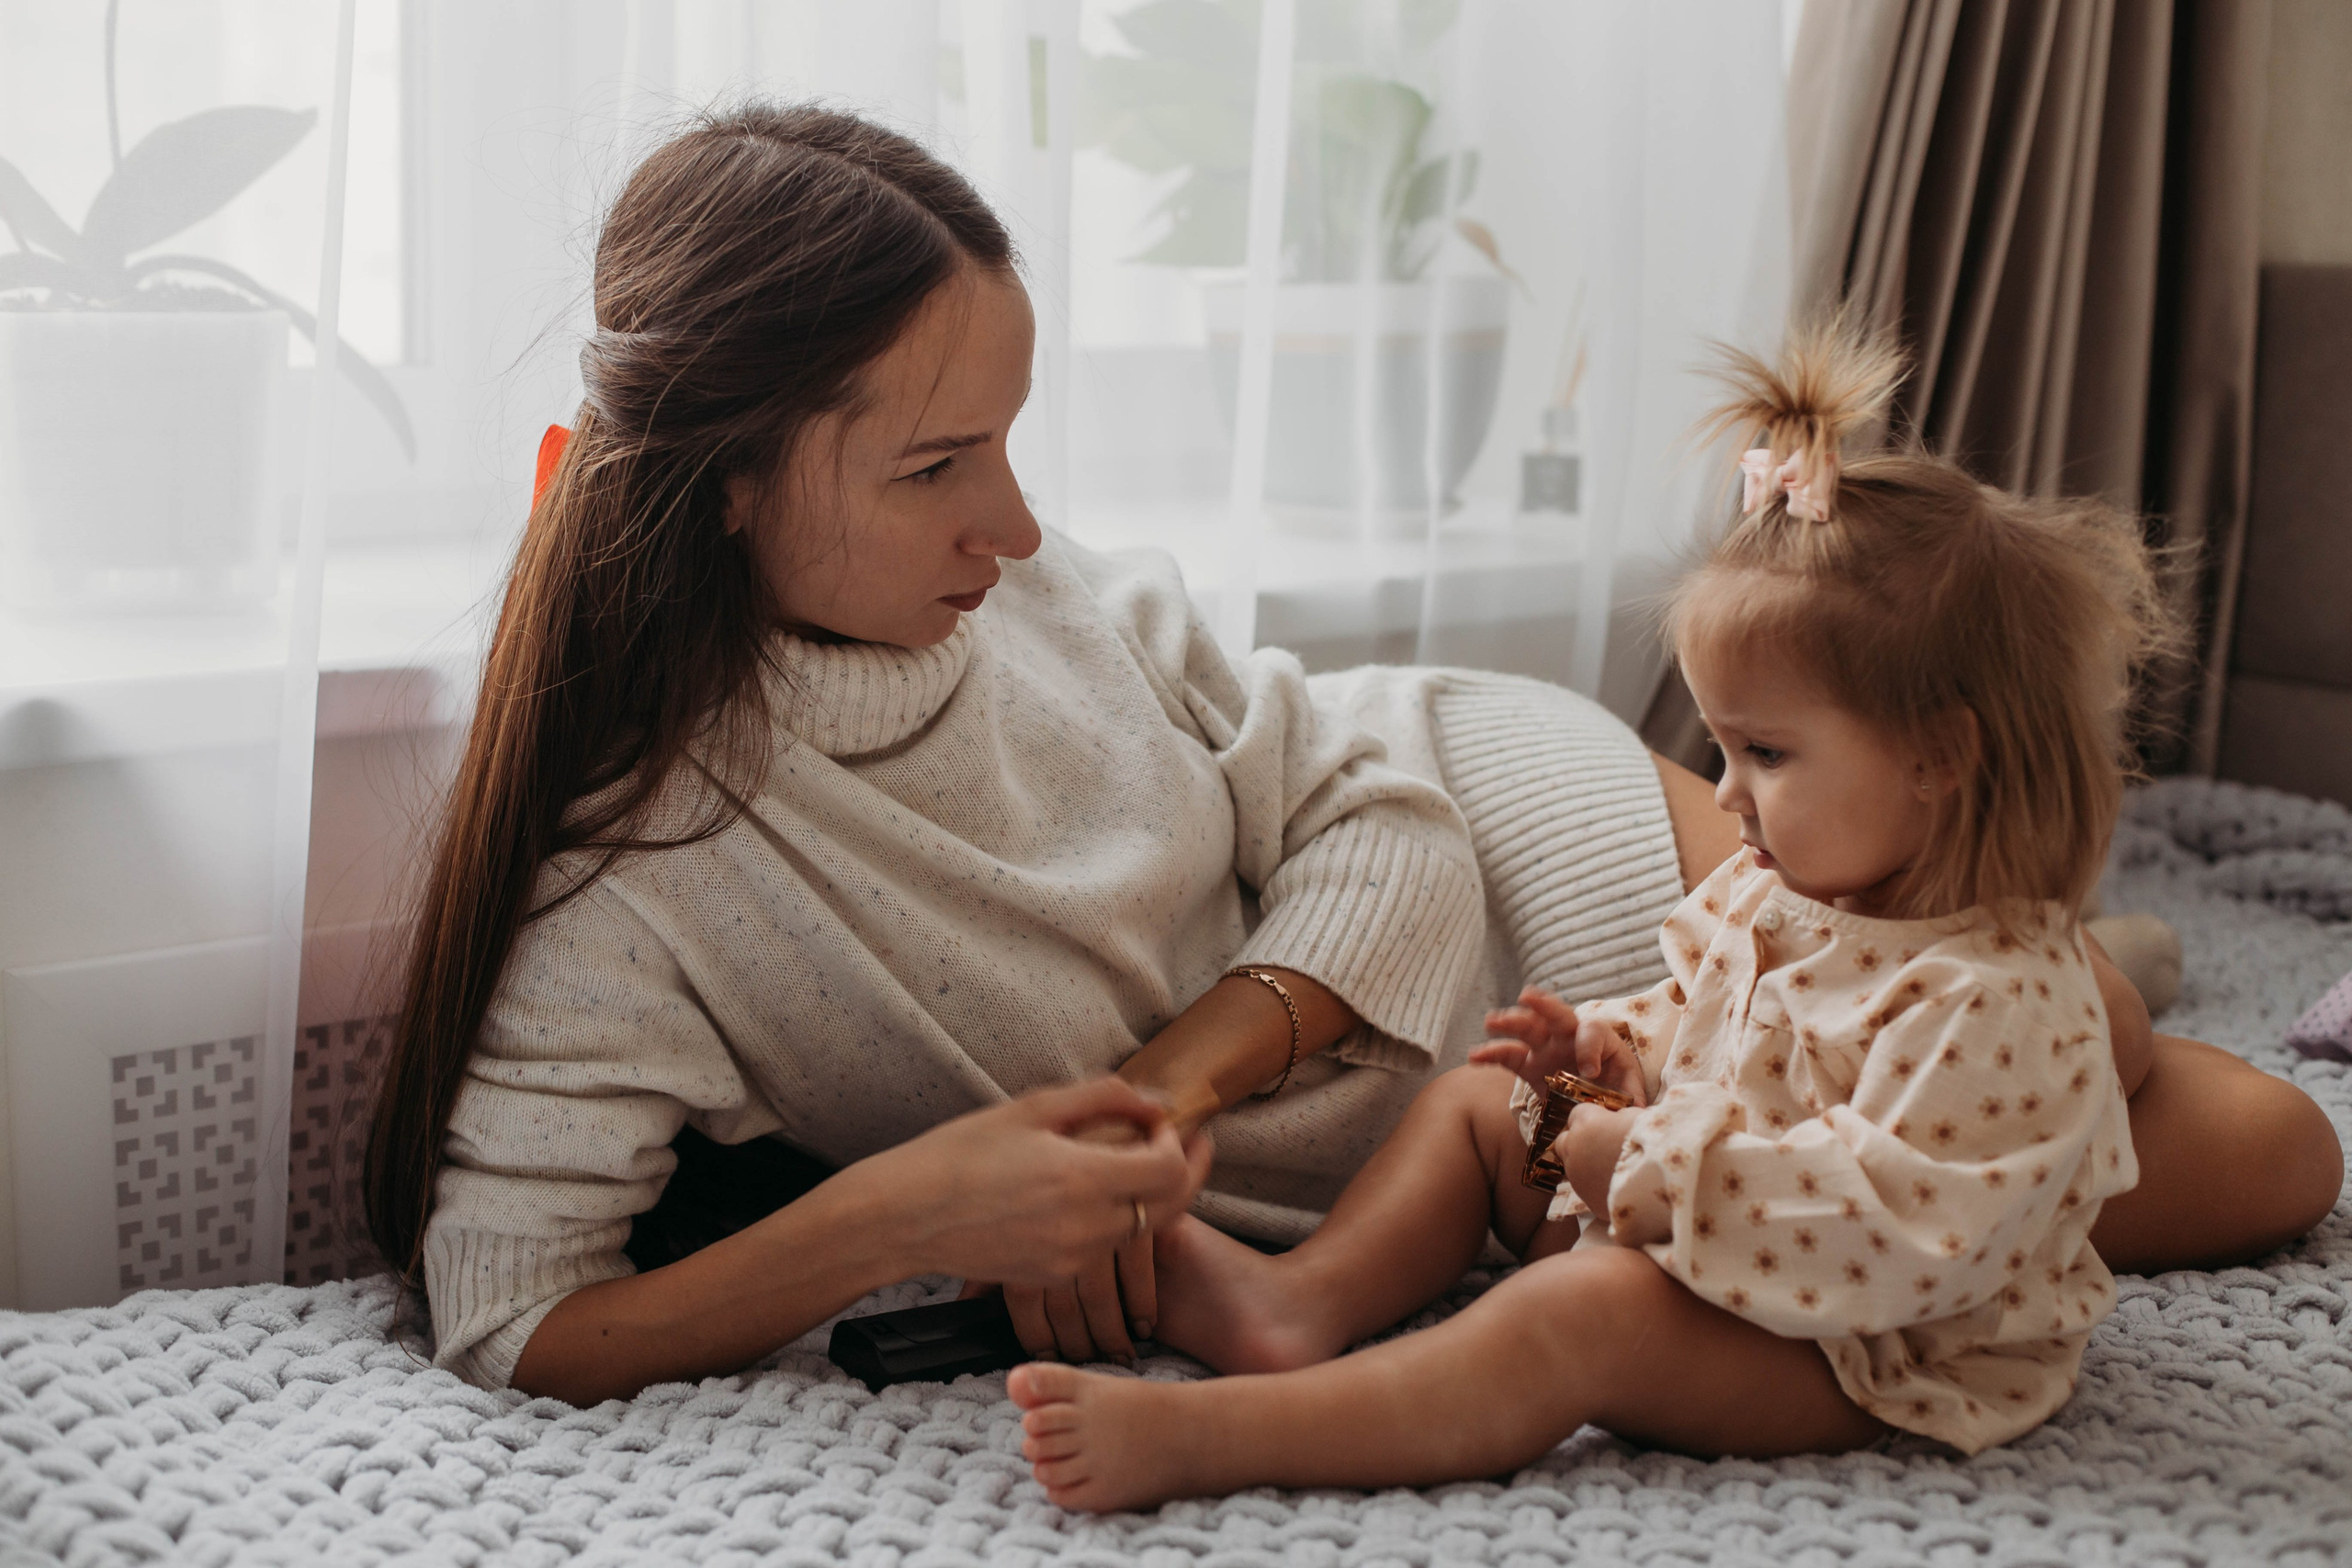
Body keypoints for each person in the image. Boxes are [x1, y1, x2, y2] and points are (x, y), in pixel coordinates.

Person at [362, 106, 2340, 1410]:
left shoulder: (1028, 601)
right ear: (716, 487)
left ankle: (2052, 929)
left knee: (2177, 1086)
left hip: (1523, 839)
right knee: (2192, 1122)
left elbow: (1376, 811)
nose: (1021, 524)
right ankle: (2027, 929)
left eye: (1013, 436)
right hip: (1486, 1113)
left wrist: (1159, 1087)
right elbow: (516, 1306)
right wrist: (924, 1207)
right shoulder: (640, 881)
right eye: (938, 466)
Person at [1000, 324, 2332, 1510]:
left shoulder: (2000, 1003)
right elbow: (1712, 1030)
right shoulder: (1783, 891)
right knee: (1483, 1108)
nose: (1725, 791)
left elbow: (1885, 1239)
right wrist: (1608, 1059)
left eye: (1767, 755)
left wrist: (1631, 1160)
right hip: (1699, 1214)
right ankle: (1298, 1305)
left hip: (1869, 1349)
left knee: (1589, 1312)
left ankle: (1226, 1437)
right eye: (1723, 748)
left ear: (1940, 756)